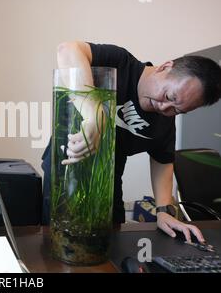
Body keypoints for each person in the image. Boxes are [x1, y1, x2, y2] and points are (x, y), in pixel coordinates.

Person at [41, 41, 221, 243]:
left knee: (111, 243)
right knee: (58, 241)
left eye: (177, 110)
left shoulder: (164, 121)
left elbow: (163, 161)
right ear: (165, 67)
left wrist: (164, 211)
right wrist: (94, 113)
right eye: (169, 95)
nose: (164, 107)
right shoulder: (121, 62)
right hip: (66, 169)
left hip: (108, 182)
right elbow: (67, 50)